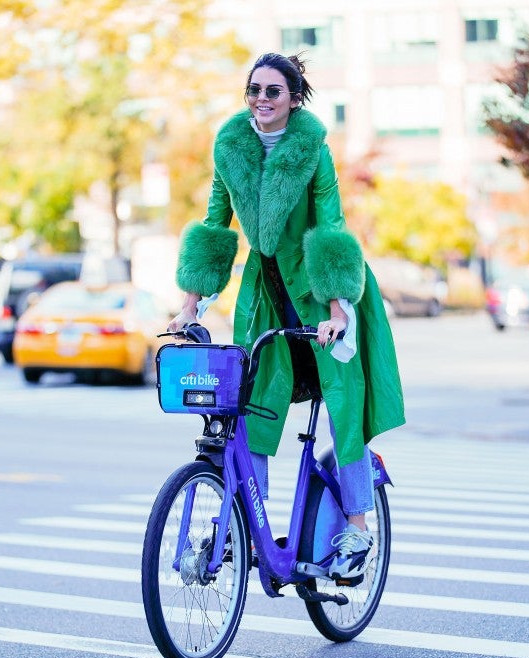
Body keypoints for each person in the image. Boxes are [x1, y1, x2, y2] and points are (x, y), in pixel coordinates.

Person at [168, 52, 405, 579]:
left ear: (294, 98)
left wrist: (340, 309)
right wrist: (190, 305)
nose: (261, 100)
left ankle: (359, 528)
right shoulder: (230, 146)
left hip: (322, 292)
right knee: (249, 408)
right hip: (268, 293)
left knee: (344, 407)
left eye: (273, 91)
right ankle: (238, 523)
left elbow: (332, 224)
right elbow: (214, 224)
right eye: (254, 89)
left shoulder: (312, 150)